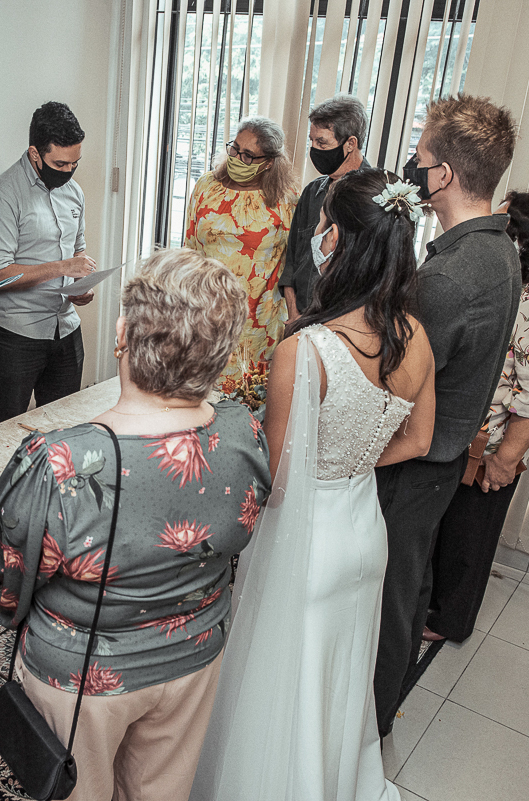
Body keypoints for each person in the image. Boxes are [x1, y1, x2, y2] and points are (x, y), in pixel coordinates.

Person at [0, 248, 272, 801]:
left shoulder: (60, 462)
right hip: (194, 654)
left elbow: (10, 572)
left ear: (122, 335)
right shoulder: (243, 432)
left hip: (86, 676)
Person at [191, 169, 435, 801]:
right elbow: (418, 441)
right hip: (363, 533)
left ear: (347, 242)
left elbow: (276, 479)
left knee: (281, 674)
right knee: (341, 673)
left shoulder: (306, 350)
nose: (317, 236)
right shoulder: (416, 340)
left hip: (306, 538)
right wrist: (349, 459)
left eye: (326, 225)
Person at [373, 94, 520, 737]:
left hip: (417, 459)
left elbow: (399, 384)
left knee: (389, 594)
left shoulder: (454, 273)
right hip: (446, 455)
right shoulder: (500, 250)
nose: (414, 168)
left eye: (422, 159)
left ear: (446, 175)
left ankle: (370, 718)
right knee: (409, 583)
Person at [426, 191, 529, 642]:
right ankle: (429, 609)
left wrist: (504, 460)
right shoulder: (506, 288)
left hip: (487, 451)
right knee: (445, 538)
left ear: (522, 240)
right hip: (458, 439)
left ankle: (449, 622)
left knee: (467, 545)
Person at [0, 101, 97, 427]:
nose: (69, 171)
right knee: (4, 430)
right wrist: (61, 269)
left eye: (75, 163)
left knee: (63, 426)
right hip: (16, 334)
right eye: (60, 163)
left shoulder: (74, 193)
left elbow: (78, 255)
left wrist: (79, 291)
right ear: (34, 154)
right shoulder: (0, 195)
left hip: (66, 329)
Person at [184, 116, 299, 392]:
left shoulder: (287, 198)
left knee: (245, 406)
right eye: (235, 149)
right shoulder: (206, 187)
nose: (237, 158)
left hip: (258, 324)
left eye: (248, 156)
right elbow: (189, 249)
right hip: (206, 315)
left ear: (269, 162)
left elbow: (293, 262)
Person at [279, 94, 374, 320]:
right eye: (311, 141)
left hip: (347, 324)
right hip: (301, 316)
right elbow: (292, 259)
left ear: (351, 143)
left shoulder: (376, 197)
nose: (314, 149)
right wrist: (293, 314)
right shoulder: (312, 192)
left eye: (322, 142)